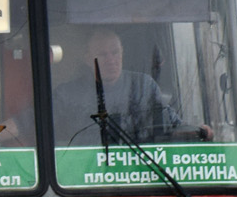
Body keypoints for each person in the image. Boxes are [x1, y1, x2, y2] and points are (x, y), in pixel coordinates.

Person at [52, 28, 202, 145]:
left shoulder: (144, 86)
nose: (111, 60)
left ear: (122, 53)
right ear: (87, 58)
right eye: (103, 55)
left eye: (115, 52)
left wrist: (198, 132)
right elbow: (34, 130)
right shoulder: (66, 95)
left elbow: (173, 126)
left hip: (138, 172)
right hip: (85, 175)